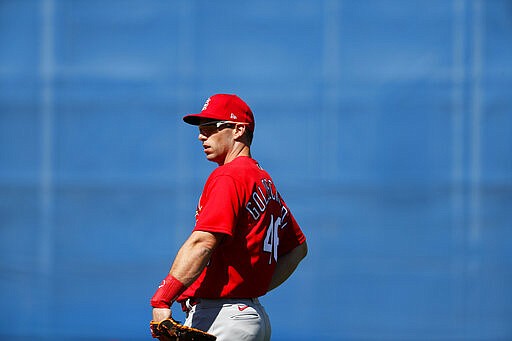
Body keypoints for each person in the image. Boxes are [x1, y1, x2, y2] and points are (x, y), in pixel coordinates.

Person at [150, 94, 307, 341]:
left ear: (238, 130)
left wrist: (162, 298)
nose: (202, 135)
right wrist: (253, 287)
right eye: (201, 129)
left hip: (222, 317)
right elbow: (298, 249)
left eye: (211, 128)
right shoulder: (262, 180)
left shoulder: (229, 177)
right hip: (250, 316)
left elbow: (202, 242)